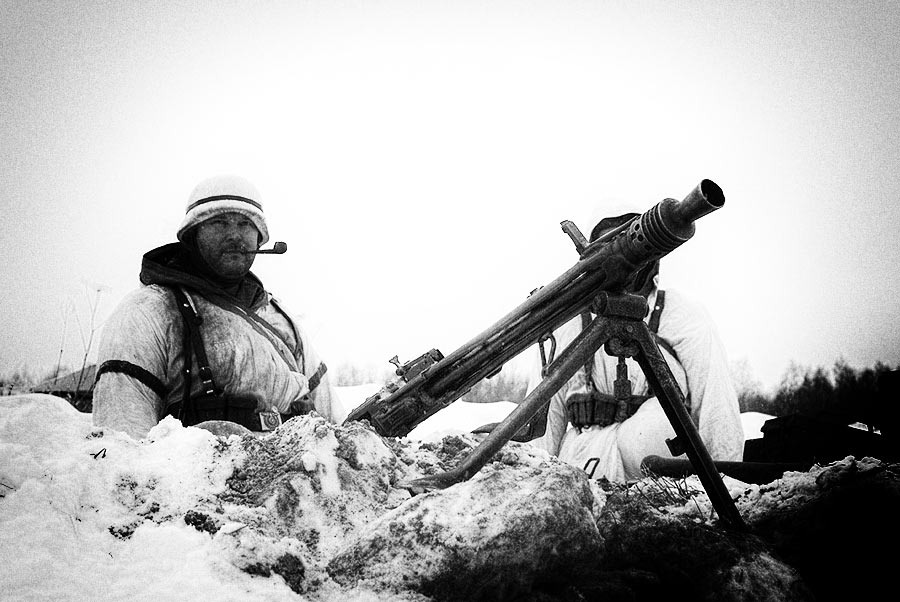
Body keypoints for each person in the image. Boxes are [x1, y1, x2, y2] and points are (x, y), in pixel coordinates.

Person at [92, 175, 345, 438]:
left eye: (245, 224)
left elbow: (339, 430)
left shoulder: (284, 322)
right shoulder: (147, 312)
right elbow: (121, 443)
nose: (234, 235)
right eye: (219, 222)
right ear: (193, 234)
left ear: (259, 238)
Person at [526, 212, 744, 482]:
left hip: (662, 473)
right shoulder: (570, 321)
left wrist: (727, 483)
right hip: (582, 464)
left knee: (653, 428)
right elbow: (545, 417)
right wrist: (534, 483)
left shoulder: (681, 315)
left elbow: (716, 405)